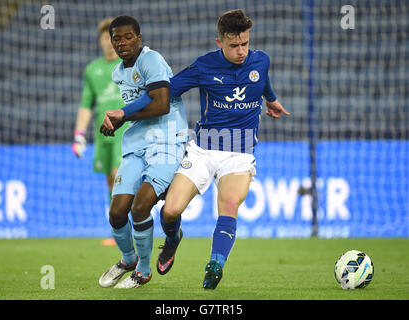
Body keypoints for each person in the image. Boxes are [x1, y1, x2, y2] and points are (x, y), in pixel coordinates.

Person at [156, 9, 289, 289]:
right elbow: (168, 91)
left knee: (229, 204)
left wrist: (271, 100)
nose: (241, 51)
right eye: (234, 45)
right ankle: (172, 239)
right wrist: (131, 109)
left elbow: (261, 78)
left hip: (239, 153)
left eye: (245, 44)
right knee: (170, 211)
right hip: (203, 150)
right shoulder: (204, 66)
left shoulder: (261, 60)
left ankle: (215, 265)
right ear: (220, 43)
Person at [98, 15, 188, 289]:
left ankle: (144, 272)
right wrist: (115, 121)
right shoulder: (117, 72)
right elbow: (138, 106)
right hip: (136, 144)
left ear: (139, 37)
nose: (122, 43)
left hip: (165, 141)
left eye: (128, 37)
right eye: (117, 38)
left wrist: (122, 116)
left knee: (140, 207)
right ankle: (128, 260)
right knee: (116, 212)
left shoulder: (151, 60)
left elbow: (160, 105)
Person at [72, 18, 124, 246]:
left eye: (113, 38)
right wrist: (79, 134)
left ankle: (133, 227)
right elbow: (86, 104)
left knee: (120, 175)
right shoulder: (92, 70)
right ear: (100, 40)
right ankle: (118, 231)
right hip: (103, 134)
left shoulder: (128, 65)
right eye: (106, 37)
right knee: (110, 182)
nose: (109, 42)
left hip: (126, 132)